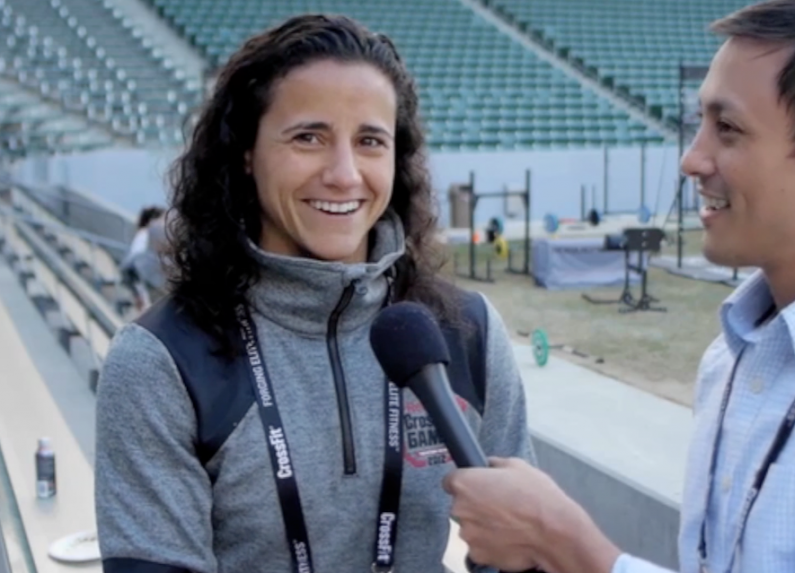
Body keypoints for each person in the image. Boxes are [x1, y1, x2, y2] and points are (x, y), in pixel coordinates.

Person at [442, 1, 795, 572]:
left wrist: (571, 547)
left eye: (729, 128)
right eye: (701, 124)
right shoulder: (732, 357)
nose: (693, 159)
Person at [94, 13, 534, 573]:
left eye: (370, 141)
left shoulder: (465, 329)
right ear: (247, 153)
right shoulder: (160, 361)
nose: (345, 174)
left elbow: (524, 551)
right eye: (309, 137)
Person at [120, 205, 169, 310]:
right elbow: (140, 253)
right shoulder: (147, 233)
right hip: (135, 268)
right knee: (145, 303)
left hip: (132, 267)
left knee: (142, 301)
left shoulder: (142, 232)